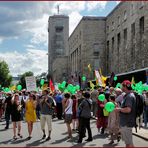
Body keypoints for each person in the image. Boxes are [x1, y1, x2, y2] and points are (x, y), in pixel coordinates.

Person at [115, 80, 136, 147]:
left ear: (125, 86)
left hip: (127, 123)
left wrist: (119, 109)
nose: (121, 87)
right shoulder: (127, 95)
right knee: (130, 143)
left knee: (128, 144)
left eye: (122, 86)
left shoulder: (129, 96)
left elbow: (128, 110)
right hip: (126, 122)